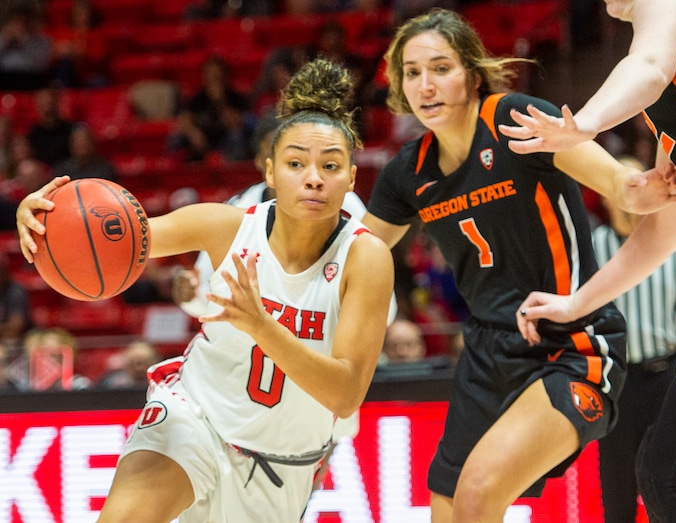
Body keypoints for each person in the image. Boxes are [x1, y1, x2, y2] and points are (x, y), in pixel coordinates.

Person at [17, 57, 394, 522]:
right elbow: (116, 238)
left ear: (352, 177)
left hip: (280, 467)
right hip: (195, 418)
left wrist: (262, 326)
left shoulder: (366, 257)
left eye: (331, 165)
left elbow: (345, 394)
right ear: (270, 171)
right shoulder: (225, 226)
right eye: (296, 163)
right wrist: (44, 224)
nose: (313, 177)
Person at [357, 8, 676, 522]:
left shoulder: (514, 119)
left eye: (440, 67)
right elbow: (355, 257)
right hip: (487, 352)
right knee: (446, 511)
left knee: (479, 495)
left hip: (572, 345)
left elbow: (621, 185)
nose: (425, 84)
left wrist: (639, 190)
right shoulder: (408, 171)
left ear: (471, 73)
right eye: (412, 71)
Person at [498, 2, 676, 520]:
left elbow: (649, 67)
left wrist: (582, 124)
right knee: (666, 471)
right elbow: (670, 220)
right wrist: (577, 303)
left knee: (668, 473)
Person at [173, 111, 368, 317]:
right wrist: (190, 297)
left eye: (295, 157)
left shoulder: (345, 204)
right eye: (275, 153)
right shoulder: (236, 210)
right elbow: (204, 295)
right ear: (263, 164)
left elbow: (381, 300)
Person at [593, 157, 676, 523]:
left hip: (668, 378)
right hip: (616, 384)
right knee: (618, 492)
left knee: (671, 483)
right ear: (609, 196)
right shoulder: (593, 247)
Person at [167, 55, 254, 162]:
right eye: (211, 74)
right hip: (203, 140)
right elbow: (184, 120)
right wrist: (193, 132)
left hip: (225, 142)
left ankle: (231, 172)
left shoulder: (235, 97)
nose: (214, 78)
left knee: (236, 136)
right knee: (177, 138)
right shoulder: (198, 98)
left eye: (217, 75)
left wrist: (220, 102)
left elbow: (236, 123)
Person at [26, 87, 75, 168]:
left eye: (50, 104)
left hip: (68, 173)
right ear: (37, 106)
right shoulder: (32, 134)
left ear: (57, 104)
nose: (48, 109)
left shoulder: (71, 131)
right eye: (44, 105)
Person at [53, 123, 118, 182]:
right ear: (71, 144)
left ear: (92, 144)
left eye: (84, 141)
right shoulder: (62, 170)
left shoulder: (105, 169)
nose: (81, 144)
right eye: (77, 142)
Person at [97, 339, 161, 390]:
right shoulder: (112, 384)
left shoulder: (163, 385)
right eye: (134, 363)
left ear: (154, 362)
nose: (139, 368)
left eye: (144, 363)